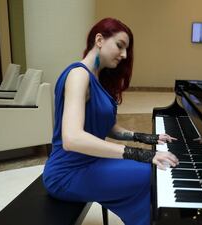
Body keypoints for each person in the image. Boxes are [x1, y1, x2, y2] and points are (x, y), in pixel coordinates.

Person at [43, 17, 179, 225]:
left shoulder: (97, 78)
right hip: (67, 172)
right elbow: (72, 138)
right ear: (99, 40)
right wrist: (141, 153)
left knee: (149, 171)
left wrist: (147, 137)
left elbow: (111, 128)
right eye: (120, 46)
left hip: (91, 161)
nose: (124, 55)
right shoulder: (78, 75)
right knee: (146, 175)